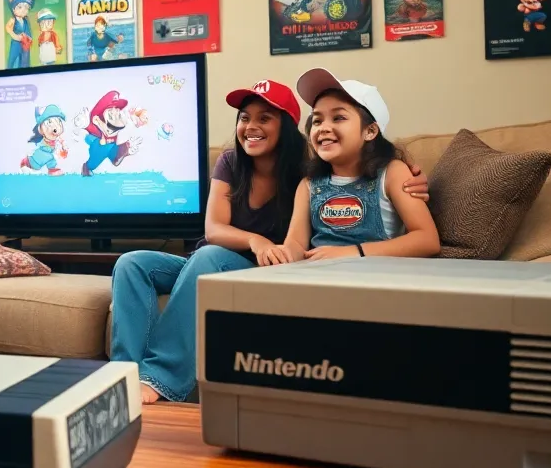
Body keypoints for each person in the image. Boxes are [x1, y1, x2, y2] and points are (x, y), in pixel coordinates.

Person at [109, 80, 431, 404]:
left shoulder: (308, 170)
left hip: (257, 268)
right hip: (234, 258)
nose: (251, 126)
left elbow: (421, 234)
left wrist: (408, 176)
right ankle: (121, 376)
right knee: (132, 262)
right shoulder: (264, 170)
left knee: (208, 258)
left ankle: (160, 378)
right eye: (245, 117)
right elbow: (224, 231)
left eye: (264, 118)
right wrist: (262, 243)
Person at [279, 68, 441, 262]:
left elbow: (427, 240)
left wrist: (353, 252)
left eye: (338, 117)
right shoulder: (309, 184)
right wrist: (281, 254)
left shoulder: (393, 173)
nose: (323, 128)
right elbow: (296, 244)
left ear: (370, 131)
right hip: (319, 278)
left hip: (375, 278)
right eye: (317, 120)